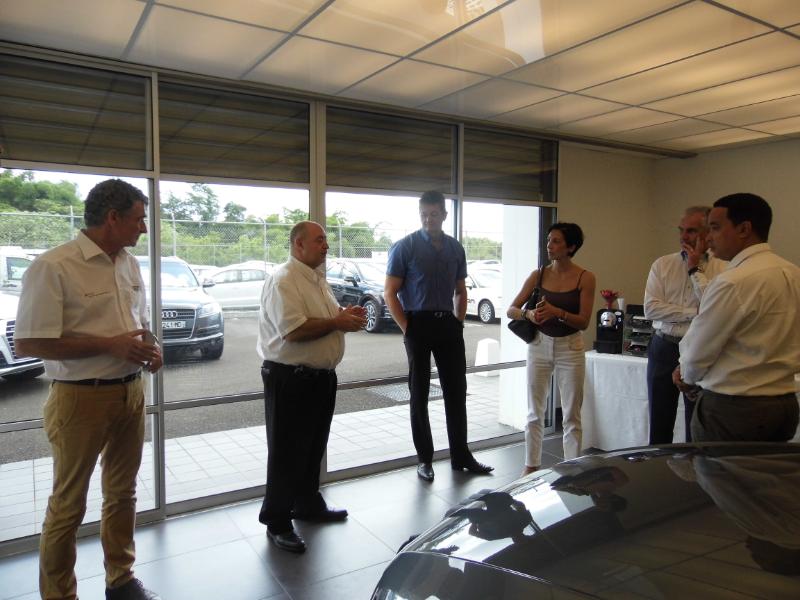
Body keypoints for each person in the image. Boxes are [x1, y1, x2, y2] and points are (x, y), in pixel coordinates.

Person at [14, 179, 163, 600]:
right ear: (112, 217)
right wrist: (108, 345)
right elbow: (28, 343)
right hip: (79, 397)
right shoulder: (54, 266)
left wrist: (153, 349)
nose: (144, 228)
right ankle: (59, 594)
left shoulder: (128, 264)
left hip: (131, 391)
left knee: (123, 493)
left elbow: (138, 323)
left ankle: (121, 579)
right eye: (139, 219)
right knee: (68, 505)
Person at [256, 221, 367, 553]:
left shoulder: (316, 279)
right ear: (298, 244)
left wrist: (343, 316)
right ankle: (277, 521)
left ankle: (306, 503)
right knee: (286, 453)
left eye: (326, 240)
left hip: (318, 378)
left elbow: (325, 319)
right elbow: (293, 331)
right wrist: (337, 321)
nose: (326, 246)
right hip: (291, 378)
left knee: (312, 448)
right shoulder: (284, 280)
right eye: (319, 240)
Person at [385, 191, 493, 482]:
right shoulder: (405, 247)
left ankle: (461, 455)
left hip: (448, 325)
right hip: (417, 325)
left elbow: (460, 290)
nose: (428, 219)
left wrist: (458, 322)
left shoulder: (455, 248)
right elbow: (389, 292)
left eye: (434, 214)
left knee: (456, 391)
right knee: (419, 393)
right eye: (423, 214)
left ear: (444, 215)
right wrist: (407, 328)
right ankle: (425, 459)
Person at [673, 193, 800, 442]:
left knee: (719, 469)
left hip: (735, 409)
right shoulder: (793, 273)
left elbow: (700, 349)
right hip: (784, 404)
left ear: (744, 229)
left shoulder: (733, 281)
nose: (708, 237)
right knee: (772, 469)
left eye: (715, 228)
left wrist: (685, 376)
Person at [507, 222, 596, 476]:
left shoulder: (585, 277)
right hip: (539, 344)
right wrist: (529, 314)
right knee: (534, 412)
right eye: (548, 240)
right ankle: (531, 466)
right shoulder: (538, 275)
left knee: (571, 415)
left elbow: (584, 321)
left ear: (571, 247)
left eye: (556, 241)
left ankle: (572, 470)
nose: (549, 246)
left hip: (571, 347)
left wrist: (557, 312)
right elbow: (511, 309)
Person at [644, 206, 726, 444]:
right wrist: (694, 313)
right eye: (681, 230)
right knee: (659, 422)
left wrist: (694, 267)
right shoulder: (662, 264)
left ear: (708, 233)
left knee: (696, 424)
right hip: (663, 347)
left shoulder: (724, 267)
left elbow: (714, 308)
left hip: (699, 349)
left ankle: (694, 468)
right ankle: (659, 467)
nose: (683, 237)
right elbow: (651, 309)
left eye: (691, 231)